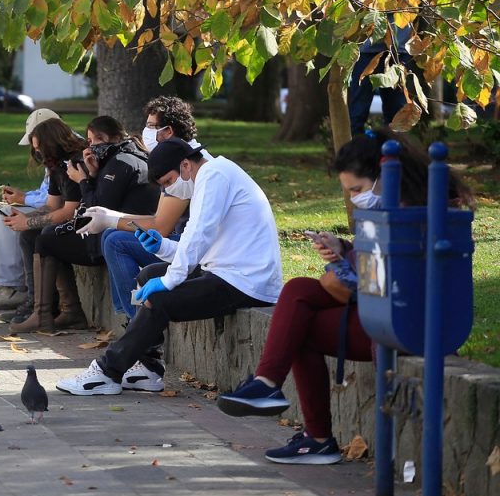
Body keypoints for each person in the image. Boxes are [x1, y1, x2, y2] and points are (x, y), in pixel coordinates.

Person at [216, 129, 474, 464]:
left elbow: (385, 274)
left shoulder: (418, 213)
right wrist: (345, 250)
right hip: (383, 314)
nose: (354, 199)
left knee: (300, 300)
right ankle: (296, 417)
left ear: (385, 176)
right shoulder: (391, 209)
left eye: (358, 189)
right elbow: (372, 269)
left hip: (406, 323)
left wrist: (345, 263)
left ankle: (292, 411)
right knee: (298, 306)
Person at [56, 138, 283, 396]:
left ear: (186, 165)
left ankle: (107, 372)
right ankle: (149, 367)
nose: (169, 189)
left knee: (160, 297)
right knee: (148, 274)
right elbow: (194, 246)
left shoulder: (214, 176)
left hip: (246, 282)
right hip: (228, 272)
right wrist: (161, 247)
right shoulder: (210, 176)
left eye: (169, 182)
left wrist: (168, 282)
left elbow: (199, 237)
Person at [10, 116, 158, 333]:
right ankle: (52, 310)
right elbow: (57, 205)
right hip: (111, 230)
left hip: (116, 235)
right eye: (89, 140)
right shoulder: (101, 160)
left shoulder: (117, 162)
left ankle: (48, 313)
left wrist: (83, 179)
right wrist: (26, 220)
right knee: (39, 235)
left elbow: (93, 208)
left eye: (97, 140)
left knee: (47, 239)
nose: (92, 146)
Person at [76, 96, 206, 320]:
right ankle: (132, 321)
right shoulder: (178, 158)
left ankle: (137, 324)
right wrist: (110, 217)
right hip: (186, 244)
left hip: (197, 252)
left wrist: (110, 219)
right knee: (112, 236)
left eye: (151, 126)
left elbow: (161, 226)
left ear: (168, 132)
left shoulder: (185, 167)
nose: (145, 131)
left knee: (116, 241)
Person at [0, 118, 87, 325]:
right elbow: (52, 205)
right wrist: (26, 219)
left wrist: (28, 222)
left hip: (90, 227)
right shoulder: (55, 166)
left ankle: (51, 310)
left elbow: (69, 211)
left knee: (47, 236)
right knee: (30, 235)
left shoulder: (73, 164)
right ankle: (38, 303)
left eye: (40, 148)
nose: (37, 153)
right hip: (76, 221)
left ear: (52, 144)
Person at [0, 109, 58, 311]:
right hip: (55, 206)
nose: (36, 151)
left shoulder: (61, 153)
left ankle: (16, 287)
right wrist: (22, 195)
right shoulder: (53, 149)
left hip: (64, 210)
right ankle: (6, 284)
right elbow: (46, 190)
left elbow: (54, 200)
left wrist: (23, 198)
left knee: (7, 216)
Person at [348, 0, 416, 135]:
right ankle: (354, 158)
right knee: (357, 111)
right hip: (366, 52)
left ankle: (394, 157)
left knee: (396, 113)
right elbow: (358, 3)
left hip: (398, 53)